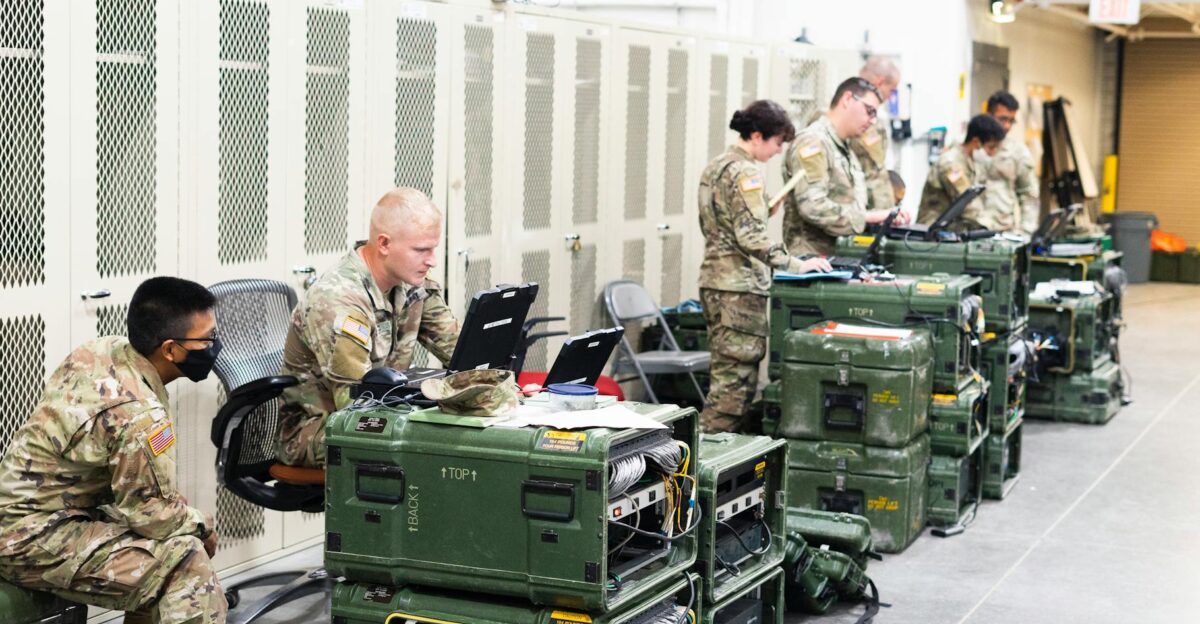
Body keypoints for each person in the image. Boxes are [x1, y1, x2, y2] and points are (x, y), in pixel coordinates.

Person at [0, 277, 226, 624]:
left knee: (173, 551)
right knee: (186, 562)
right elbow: (152, 515)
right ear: (169, 350)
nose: (215, 345)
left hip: (48, 513)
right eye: (207, 339)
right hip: (28, 537)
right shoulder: (138, 414)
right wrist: (202, 525)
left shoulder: (105, 349)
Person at [278, 187, 460, 468]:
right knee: (439, 448)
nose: (432, 260)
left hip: (384, 412)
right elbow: (356, 408)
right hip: (319, 433)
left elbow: (461, 353)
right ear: (384, 244)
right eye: (421, 250)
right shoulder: (339, 298)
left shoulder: (411, 283)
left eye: (433, 249)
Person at [697, 99, 832, 433]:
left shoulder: (716, 166)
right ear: (756, 136)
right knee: (732, 392)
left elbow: (719, 224)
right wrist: (796, 265)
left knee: (726, 378)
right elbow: (750, 237)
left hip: (716, 280)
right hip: (738, 289)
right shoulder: (745, 172)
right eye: (776, 143)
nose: (777, 151)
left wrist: (766, 210)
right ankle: (702, 465)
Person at [784, 77, 911, 256]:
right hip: (811, 261)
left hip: (838, 255)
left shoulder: (844, 147)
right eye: (869, 111)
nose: (872, 120)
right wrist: (869, 217)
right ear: (847, 99)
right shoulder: (813, 143)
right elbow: (812, 206)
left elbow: (847, 202)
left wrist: (881, 216)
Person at [917, 114, 1007, 231]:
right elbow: (967, 203)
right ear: (976, 142)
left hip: (953, 229)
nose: (993, 153)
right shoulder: (950, 164)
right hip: (932, 232)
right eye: (990, 147)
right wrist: (993, 226)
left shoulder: (971, 162)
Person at [983, 90, 1040, 234]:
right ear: (988, 116)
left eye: (1011, 121)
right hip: (967, 230)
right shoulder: (971, 145)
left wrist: (1026, 231)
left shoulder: (1018, 152)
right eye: (1002, 119)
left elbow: (1029, 194)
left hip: (1001, 230)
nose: (1007, 126)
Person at [852, 56, 902, 212]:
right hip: (851, 216)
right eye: (891, 90)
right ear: (880, 83)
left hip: (871, 214)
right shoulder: (843, 118)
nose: (890, 96)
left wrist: (888, 213)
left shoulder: (876, 122)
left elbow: (876, 172)